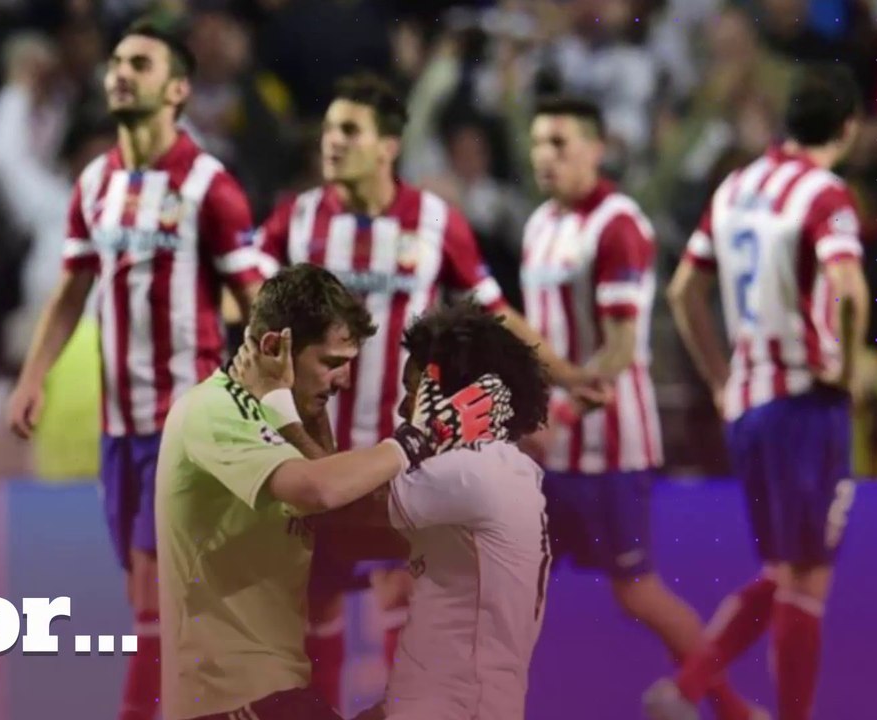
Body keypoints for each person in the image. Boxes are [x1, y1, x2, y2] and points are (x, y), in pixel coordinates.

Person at [254, 72, 601, 709]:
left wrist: (567, 375)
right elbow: (250, 313)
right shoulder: (295, 220)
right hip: (314, 451)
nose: (332, 141)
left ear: (388, 146)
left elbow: (497, 316)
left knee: (404, 593)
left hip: (401, 449)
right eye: (330, 128)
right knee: (315, 598)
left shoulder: (435, 221)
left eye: (349, 130)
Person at [3, 18, 270, 720]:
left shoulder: (210, 185)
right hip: (118, 428)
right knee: (149, 594)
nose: (120, 72)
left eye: (141, 63)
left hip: (188, 423)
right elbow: (70, 291)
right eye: (117, 61)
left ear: (178, 88)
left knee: (154, 589)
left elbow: (258, 304)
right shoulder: (94, 183)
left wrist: (268, 407)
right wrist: (33, 377)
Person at [519, 95, 763, 720]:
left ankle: (729, 706)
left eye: (561, 143)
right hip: (542, 449)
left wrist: (561, 418)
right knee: (496, 582)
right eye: (539, 142)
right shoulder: (540, 224)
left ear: (597, 149)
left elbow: (622, 349)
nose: (545, 156)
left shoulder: (620, 226)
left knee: (636, 592)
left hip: (607, 448)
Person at [644, 65, 869, 720]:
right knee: (809, 580)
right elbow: (851, 291)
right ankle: (699, 689)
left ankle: (688, 688)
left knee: (783, 572)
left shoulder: (736, 188)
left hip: (747, 406)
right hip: (805, 401)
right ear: (847, 130)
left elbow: (685, 290)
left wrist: (720, 378)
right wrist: (846, 370)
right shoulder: (826, 194)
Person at [155, 263, 452, 720]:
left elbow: (340, 526)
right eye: (332, 363)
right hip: (225, 700)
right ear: (275, 347)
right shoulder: (214, 410)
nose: (344, 381)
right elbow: (319, 491)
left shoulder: (282, 419)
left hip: (275, 695)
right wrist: (415, 439)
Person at [313, 299, 553, 720]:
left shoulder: (468, 474)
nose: (405, 409)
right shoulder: (501, 470)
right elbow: (347, 540)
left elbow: (327, 509)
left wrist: (301, 406)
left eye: (414, 392)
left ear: (457, 397)